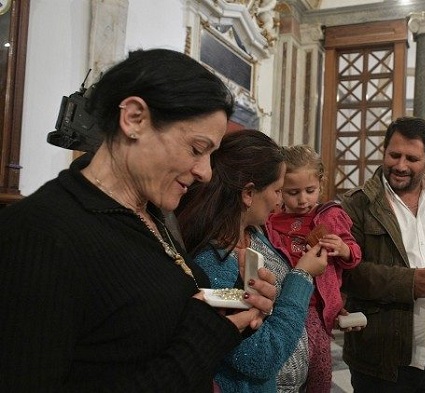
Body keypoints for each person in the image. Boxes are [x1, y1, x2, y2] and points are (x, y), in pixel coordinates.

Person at [0, 48, 277, 392]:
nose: (206, 173)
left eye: (211, 155)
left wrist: (233, 307)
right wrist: (203, 338)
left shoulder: (152, 213)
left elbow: (141, 325)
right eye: (196, 148)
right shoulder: (40, 233)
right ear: (134, 118)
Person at [176, 130, 328, 393]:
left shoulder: (254, 233)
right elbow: (259, 357)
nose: (280, 202)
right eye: (278, 191)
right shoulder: (213, 264)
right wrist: (302, 275)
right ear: (248, 194)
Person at [340, 116, 425, 392]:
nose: (400, 166)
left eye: (411, 158)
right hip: (381, 359)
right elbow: (349, 273)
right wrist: (409, 283)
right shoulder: (358, 204)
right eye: (394, 155)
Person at [265, 145, 363, 393]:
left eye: (310, 191)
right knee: (284, 364)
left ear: (321, 184)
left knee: (319, 365)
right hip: (282, 302)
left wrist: (342, 248)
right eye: (292, 192)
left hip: (317, 307)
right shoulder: (271, 220)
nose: (302, 200)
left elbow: (354, 255)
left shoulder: (330, 217)